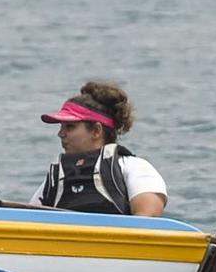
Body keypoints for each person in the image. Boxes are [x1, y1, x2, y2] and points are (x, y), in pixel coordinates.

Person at [31, 82, 167, 217]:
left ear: (96, 131)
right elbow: (29, 222)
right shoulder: (56, 178)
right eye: (61, 127)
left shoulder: (135, 167)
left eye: (70, 127)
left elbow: (149, 219)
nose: (60, 134)